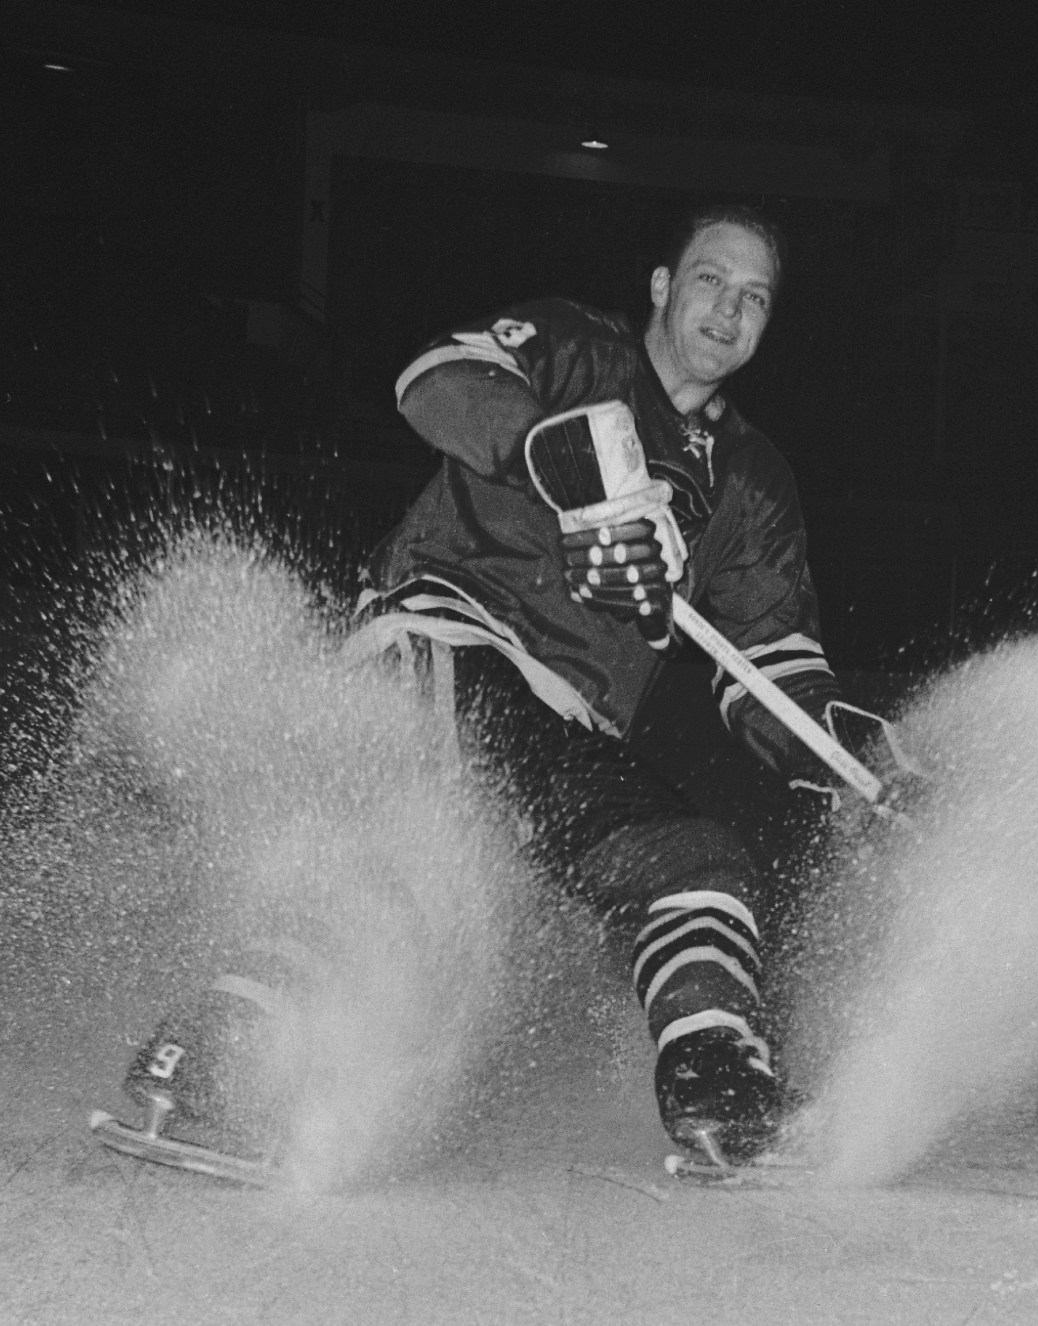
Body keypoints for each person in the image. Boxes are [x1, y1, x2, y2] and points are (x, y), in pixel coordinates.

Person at [118, 204, 887, 1175]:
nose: (727, 310)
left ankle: (721, 1091)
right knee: (407, 867)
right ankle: (212, 1052)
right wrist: (550, 454)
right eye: (708, 279)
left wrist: (841, 751)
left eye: (754, 297)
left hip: (566, 721)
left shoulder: (752, 480)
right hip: (446, 640)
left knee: (693, 863)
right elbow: (431, 379)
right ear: (661, 284)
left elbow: (770, 667)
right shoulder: (577, 349)